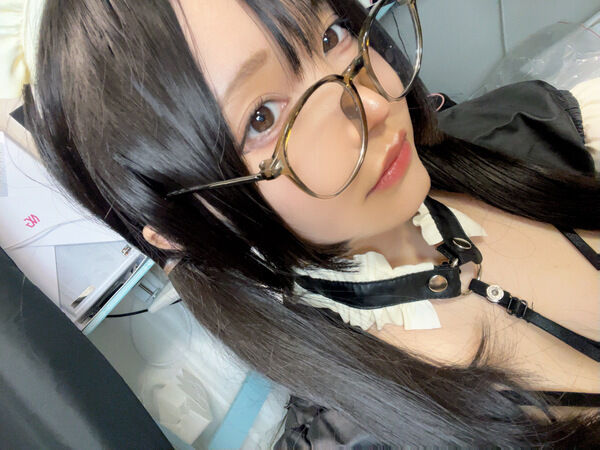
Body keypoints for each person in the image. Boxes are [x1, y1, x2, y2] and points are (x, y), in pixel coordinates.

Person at [2, 0, 599, 446]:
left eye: (331, 35)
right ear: (182, 227)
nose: (374, 102)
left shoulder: (516, 134)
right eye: (262, 117)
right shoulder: (370, 433)